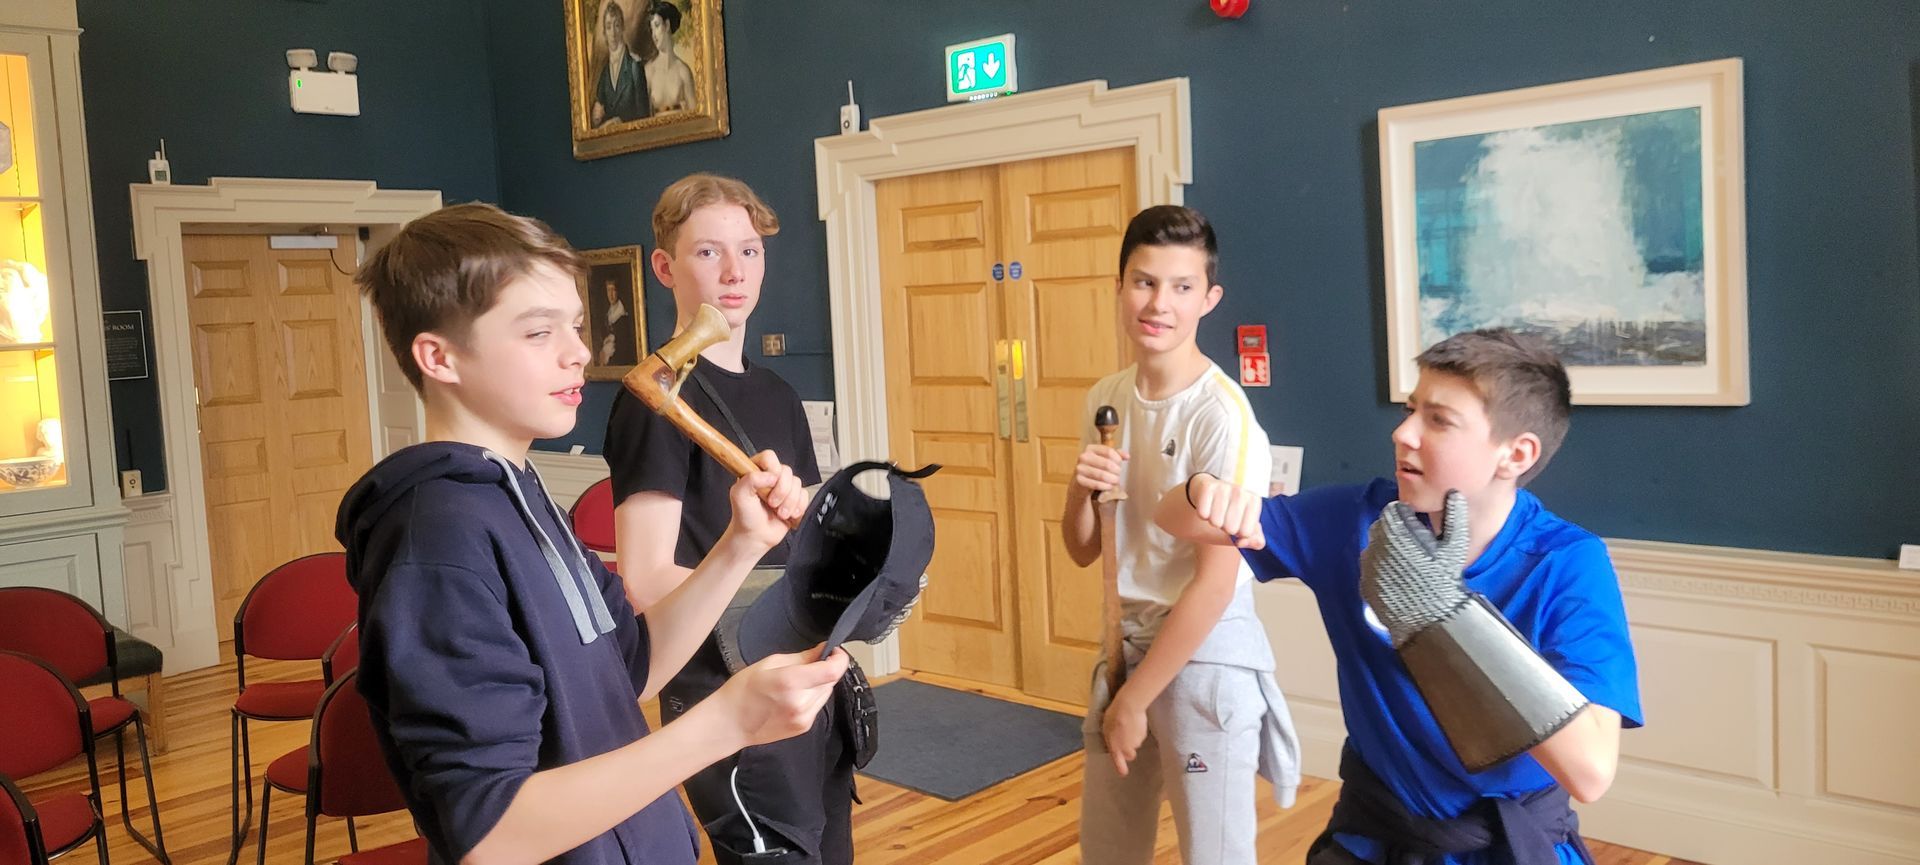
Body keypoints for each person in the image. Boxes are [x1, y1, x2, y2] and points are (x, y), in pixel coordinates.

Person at [339, 201, 847, 865]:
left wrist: (740, 545)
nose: (579, 352)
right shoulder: (436, 542)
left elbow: (633, 668)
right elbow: (492, 833)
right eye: (537, 332)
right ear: (440, 357)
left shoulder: (521, 496)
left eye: (576, 326)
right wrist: (727, 722)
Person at [1157, 327, 1642, 865]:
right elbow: (1172, 518)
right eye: (1411, 410)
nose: (1403, 432)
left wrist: (1444, 620)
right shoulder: (1357, 519)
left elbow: (1590, 772)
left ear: (1515, 454)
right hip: (1376, 836)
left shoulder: (1567, 562)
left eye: (1439, 420)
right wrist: (1203, 490)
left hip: (1509, 845)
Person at [603, 174, 855, 865]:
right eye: (709, 252)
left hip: (809, 679)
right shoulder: (653, 403)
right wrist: (774, 603)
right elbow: (646, 580)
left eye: (749, 250)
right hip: (724, 694)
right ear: (665, 268)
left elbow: (804, 545)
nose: (736, 272)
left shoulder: (778, 393)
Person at [1063, 204, 1301, 865]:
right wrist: (1080, 488)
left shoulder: (1222, 416)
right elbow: (1083, 548)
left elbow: (1216, 585)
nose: (1159, 303)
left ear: (1208, 299)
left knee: (1214, 856)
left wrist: (1134, 702)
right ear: (1118, 287)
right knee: (1108, 852)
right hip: (1123, 645)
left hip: (1204, 660)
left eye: (1181, 286)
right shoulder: (1105, 397)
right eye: (1144, 282)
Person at [593, 0, 648, 126]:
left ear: (622, 28)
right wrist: (596, 117)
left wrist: (621, 123)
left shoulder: (634, 67)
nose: (613, 32)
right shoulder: (604, 74)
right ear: (604, 32)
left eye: (616, 25)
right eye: (608, 27)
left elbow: (644, 118)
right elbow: (599, 117)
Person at [642, 0, 696, 114]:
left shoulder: (683, 71)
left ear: (667, 25)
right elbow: (644, 116)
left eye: (657, 26)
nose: (654, 35)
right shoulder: (649, 71)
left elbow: (695, 113)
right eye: (652, 29)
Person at [600, 275, 637, 366]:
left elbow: (624, 346)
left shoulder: (624, 315)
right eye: (608, 290)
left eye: (613, 290)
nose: (611, 294)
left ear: (618, 292)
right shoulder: (607, 314)